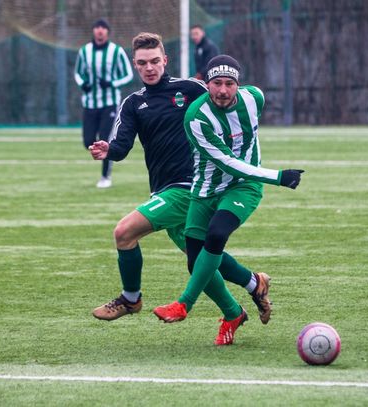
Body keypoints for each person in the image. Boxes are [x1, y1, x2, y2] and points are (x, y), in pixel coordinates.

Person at [89, 34, 272, 328]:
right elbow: (121, 146)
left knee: (124, 232)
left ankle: (130, 298)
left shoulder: (190, 88)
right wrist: (108, 149)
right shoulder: (132, 104)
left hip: (193, 187)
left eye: (154, 61)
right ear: (135, 65)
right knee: (200, 260)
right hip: (163, 188)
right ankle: (246, 294)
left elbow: (225, 98)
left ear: (165, 60)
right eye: (142, 63)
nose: (149, 68)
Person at [153, 55, 304, 345]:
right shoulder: (196, 117)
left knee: (216, 235)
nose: (223, 90)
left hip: (244, 186)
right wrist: (278, 177)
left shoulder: (255, 98)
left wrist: (264, 177)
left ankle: (183, 304)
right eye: (217, 83)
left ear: (238, 85)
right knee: (196, 262)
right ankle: (247, 294)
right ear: (207, 84)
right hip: (206, 189)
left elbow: (241, 166)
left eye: (229, 83)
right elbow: (227, 162)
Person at [74, 18, 133, 188]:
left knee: (106, 139)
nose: (100, 30)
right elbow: (78, 73)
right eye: (97, 27)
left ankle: (105, 176)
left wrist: (112, 83)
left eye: (103, 28)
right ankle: (103, 162)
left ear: (107, 32)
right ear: (93, 31)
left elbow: (128, 74)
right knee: (88, 141)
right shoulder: (84, 51)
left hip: (110, 103)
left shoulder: (116, 51)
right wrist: (83, 83)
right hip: (90, 103)